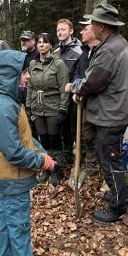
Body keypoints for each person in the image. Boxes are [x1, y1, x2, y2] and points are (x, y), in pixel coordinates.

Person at [0, 50, 56, 256]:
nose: (27, 77)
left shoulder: (10, 101)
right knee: (19, 226)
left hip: (12, 178)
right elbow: (14, 152)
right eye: (23, 73)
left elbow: (23, 139)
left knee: (7, 220)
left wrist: (40, 150)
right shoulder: (3, 107)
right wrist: (41, 162)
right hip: (13, 177)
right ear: (9, 75)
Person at [72, 3, 128, 223]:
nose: (91, 26)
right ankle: (123, 195)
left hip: (111, 114)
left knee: (109, 158)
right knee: (113, 156)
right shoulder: (118, 42)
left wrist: (77, 88)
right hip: (115, 111)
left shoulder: (109, 49)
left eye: (94, 23)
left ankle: (117, 207)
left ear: (101, 26)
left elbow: (94, 80)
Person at [26, 33, 69, 186]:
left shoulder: (58, 64)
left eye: (45, 42)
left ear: (51, 45)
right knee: (43, 142)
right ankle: (46, 167)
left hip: (53, 107)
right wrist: (29, 106)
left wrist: (63, 109)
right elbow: (30, 86)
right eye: (39, 42)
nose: (41, 45)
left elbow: (64, 88)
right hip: (38, 109)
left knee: (55, 141)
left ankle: (57, 170)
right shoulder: (33, 64)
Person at [67, 16, 100, 176]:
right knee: (87, 137)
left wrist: (77, 88)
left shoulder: (102, 52)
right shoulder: (84, 53)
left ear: (95, 30)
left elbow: (95, 79)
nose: (81, 32)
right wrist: (76, 90)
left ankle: (106, 175)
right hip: (85, 104)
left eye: (85, 29)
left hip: (101, 105)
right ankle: (91, 169)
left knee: (102, 140)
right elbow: (77, 74)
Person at [54, 18, 82, 163]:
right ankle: (67, 158)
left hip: (74, 96)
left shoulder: (80, 49)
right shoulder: (56, 51)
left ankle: (81, 160)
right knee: (63, 129)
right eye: (58, 30)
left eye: (63, 29)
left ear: (71, 31)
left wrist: (74, 86)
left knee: (76, 128)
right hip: (59, 97)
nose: (60, 32)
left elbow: (82, 72)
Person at [18, 30, 39, 104]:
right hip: (21, 94)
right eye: (22, 40)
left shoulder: (39, 56)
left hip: (35, 95)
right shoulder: (19, 56)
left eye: (26, 40)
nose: (23, 42)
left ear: (33, 41)